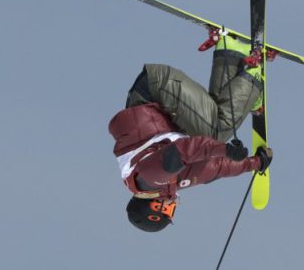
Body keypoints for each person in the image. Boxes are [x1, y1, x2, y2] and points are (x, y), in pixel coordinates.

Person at [108, 36, 274, 230]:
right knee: (212, 124)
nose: (174, 208)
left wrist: (225, 150)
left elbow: (183, 149)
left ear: (155, 207)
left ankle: (253, 77)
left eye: (168, 212)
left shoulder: (148, 178)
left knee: (215, 134)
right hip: (169, 109)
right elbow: (214, 168)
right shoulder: (170, 182)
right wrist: (255, 163)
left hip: (155, 89)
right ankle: (231, 52)